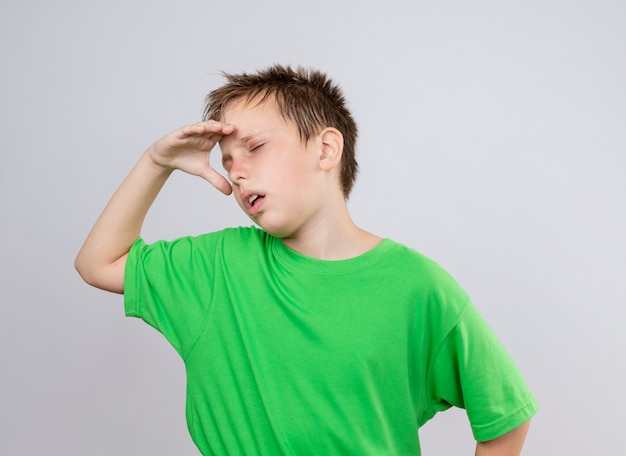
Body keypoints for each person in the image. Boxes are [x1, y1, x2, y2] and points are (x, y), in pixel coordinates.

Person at [75, 64, 538, 455]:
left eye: (254, 147)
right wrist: (156, 162)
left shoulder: (419, 286)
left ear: (326, 149)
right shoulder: (218, 266)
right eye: (228, 159)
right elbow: (99, 263)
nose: (236, 171)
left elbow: (505, 415)